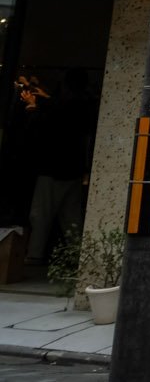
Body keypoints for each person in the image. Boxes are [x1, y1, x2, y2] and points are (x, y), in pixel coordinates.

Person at [26, 70, 93, 264]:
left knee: (41, 213)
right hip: (74, 168)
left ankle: (34, 254)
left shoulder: (61, 107)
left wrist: (33, 107)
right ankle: (78, 256)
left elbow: (47, 125)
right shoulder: (84, 105)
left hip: (53, 167)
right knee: (71, 217)